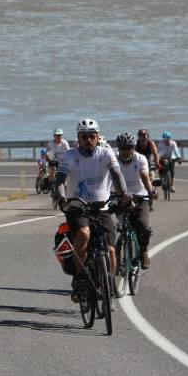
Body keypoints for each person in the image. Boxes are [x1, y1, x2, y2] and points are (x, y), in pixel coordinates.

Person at [55, 118, 130, 301]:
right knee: (84, 233)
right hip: (77, 207)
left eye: (92, 136)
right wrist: (62, 197)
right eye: (84, 137)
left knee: (111, 251)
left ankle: (109, 282)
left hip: (101, 207)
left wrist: (124, 194)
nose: (88, 140)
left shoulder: (106, 153)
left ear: (98, 137)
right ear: (78, 138)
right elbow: (60, 180)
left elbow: (116, 174)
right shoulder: (69, 155)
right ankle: (80, 278)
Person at [113, 133, 154, 268]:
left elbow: (144, 176)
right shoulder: (113, 159)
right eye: (122, 148)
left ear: (133, 147)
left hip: (139, 196)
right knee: (115, 227)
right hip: (119, 196)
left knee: (143, 226)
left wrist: (150, 191)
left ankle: (143, 251)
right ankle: (116, 257)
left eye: (128, 148)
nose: (125, 151)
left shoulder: (140, 159)